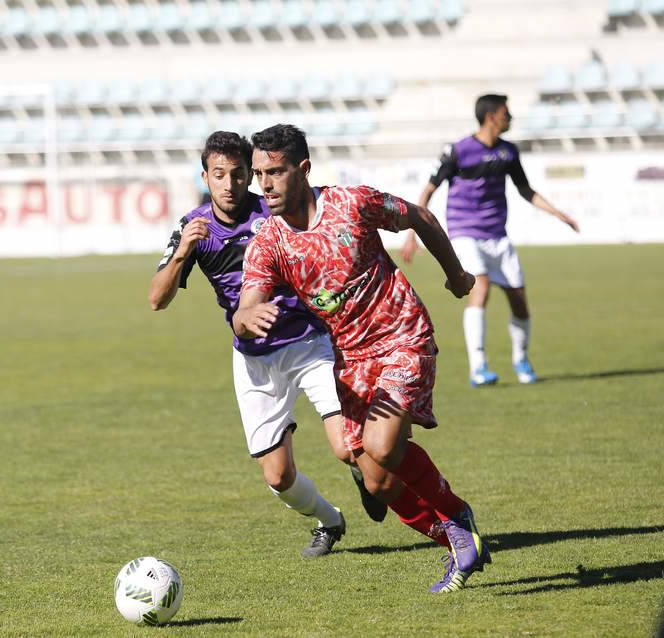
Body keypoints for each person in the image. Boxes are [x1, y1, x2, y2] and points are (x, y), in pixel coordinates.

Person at [234, 124, 491, 593]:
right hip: (351, 362)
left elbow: (419, 217)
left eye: (275, 172)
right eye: (258, 174)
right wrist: (246, 317)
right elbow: (246, 302)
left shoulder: (351, 204)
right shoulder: (269, 242)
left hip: (402, 336)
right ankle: (456, 542)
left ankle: (457, 516)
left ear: (303, 169)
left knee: (381, 445)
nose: (264, 185)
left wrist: (455, 275)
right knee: (375, 483)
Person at [148, 131, 389, 559]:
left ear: (251, 177)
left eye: (239, 175)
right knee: (277, 477)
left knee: (348, 446)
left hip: (309, 342)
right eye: (218, 175)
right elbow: (156, 299)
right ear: (205, 177)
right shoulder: (194, 228)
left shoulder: (275, 212)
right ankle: (329, 521)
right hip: (255, 360)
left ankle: (386, 486)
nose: (229, 184)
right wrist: (184, 251)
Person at [401, 93, 580, 387]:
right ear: (491, 116)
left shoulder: (508, 152)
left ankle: (521, 360)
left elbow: (526, 190)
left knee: (519, 301)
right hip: (465, 233)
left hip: (498, 237)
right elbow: (428, 191)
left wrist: (558, 213)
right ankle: (478, 367)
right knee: (479, 287)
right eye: (506, 113)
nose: (510, 118)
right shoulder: (458, 151)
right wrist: (412, 233)